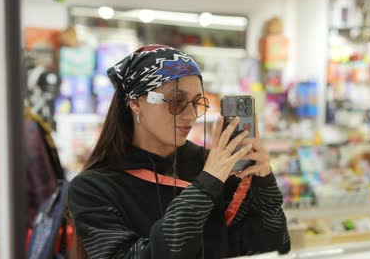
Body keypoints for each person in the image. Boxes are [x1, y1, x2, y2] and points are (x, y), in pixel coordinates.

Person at [67, 44, 290, 259]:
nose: (191, 115)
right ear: (136, 102)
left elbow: (271, 247)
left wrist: (264, 184)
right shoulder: (92, 188)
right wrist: (206, 185)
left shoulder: (212, 165)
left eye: (197, 103)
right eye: (176, 101)